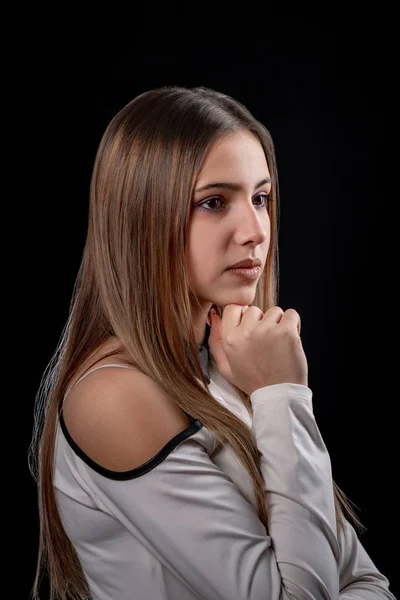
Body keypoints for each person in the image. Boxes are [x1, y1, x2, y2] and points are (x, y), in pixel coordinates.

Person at [29, 85, 396, 600]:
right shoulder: (115, 396)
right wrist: (283, 396)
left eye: (261, 198)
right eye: (214, 202)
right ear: (142, 217)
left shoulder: (225, 362)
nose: (254, 230)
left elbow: (367, 581)